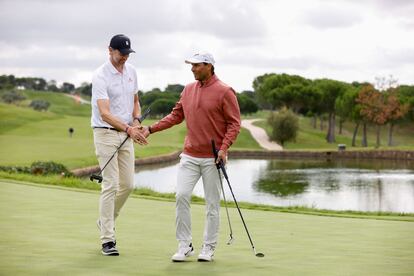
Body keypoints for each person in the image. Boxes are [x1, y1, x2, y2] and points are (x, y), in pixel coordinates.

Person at [142, 52, 241, 262]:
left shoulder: (225, 91)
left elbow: (234, 124)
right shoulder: (188, 90)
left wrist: (224, 149)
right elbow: (176, 115)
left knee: (212, 205)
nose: (192, 69)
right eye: (191, 65)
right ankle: (184, 245)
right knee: (181, 196)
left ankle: (208, 248)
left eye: (196, 65)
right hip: (189, 155)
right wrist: (150, 129)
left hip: (213, 158)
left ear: (208, 66)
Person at [91, 34, 147, 256]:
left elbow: (135, 102)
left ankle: (105, 221)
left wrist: (136, 120)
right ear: (110, 50)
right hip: (105, 133)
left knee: (129, 184)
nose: (124, 57)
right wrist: (129, 129)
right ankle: (107, 239)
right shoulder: (100, 76)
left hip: (126, 133)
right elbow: (104, 113)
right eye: (121, 53)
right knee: (111, 184)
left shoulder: (132, 72)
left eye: (127, 54)